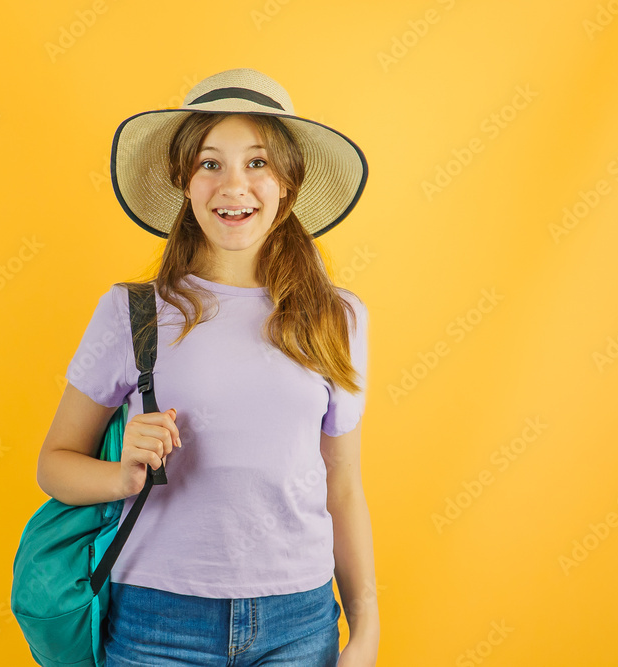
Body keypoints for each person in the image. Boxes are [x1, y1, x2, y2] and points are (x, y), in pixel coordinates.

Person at [36, 68, 379, 666]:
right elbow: (54, 465)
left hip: (299, 619)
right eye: (209, 163)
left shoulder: (337, 316)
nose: (234, 185)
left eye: (259, 163)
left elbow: (343, 487)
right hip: (155, 619)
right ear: (184, 182)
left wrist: (367, 628)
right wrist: (120, 474)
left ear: (288, 184)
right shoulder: (132, 312)